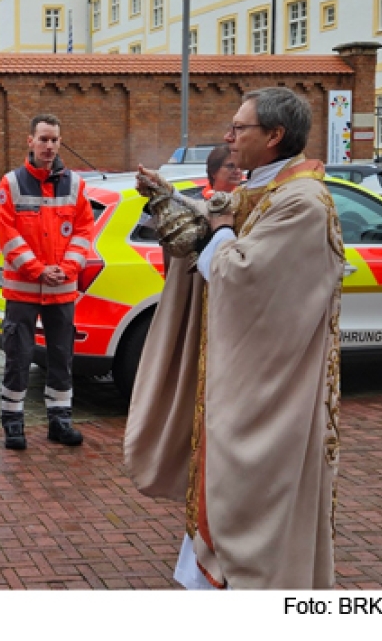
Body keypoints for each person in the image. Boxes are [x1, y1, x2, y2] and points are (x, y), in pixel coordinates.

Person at [126, 87, 343, 589]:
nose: (227, 137)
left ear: (274, 136)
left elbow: (240, 277)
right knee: (219, 490)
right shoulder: (264, 191)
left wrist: (219, 230)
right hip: (237, 386)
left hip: (272, 396)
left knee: (253, 502)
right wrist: (169, 200)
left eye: (239, 128)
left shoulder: (303, 203)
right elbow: (214, 231)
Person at [0, 114, 94, 451]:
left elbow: (84, 233)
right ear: (30, 141)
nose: (49, 146)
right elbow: (8, 236)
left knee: (62, 356)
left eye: (54, 140)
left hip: (62, 290)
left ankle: (60, 421)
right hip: (24, 290)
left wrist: (66, 268)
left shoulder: (76, 185)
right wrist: (38, 270)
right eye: (43, 139)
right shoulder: (11, 183)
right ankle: (13, 424)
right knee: (18, 356)